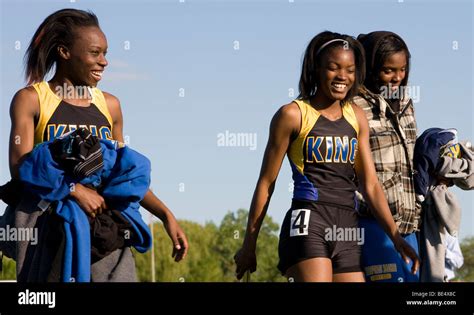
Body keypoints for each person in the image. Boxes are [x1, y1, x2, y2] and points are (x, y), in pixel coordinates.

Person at [6, 8, 188, 281]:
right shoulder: (32, 99)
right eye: (95, 53)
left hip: (104, 231)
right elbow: (20, 167)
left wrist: (165, 214)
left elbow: (122, 175)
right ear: (64, 52)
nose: (104, 61)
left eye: (105, 53)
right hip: (49, 229)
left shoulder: (110, 105)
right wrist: (74, 190)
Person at [234, 31, 419, 282]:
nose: (342, 76)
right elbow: (266, 183)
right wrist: (249, 245)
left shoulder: (357, 117)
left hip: (346, 228)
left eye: (350, 70)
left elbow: (370, 184)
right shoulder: (292, 115)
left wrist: (396, 237)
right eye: (334, 67)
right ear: (316, 69)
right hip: (309, 221)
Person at [353, 31, 420, 282]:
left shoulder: (405, 102)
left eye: (402, 70)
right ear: (370, 67)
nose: (397, 78)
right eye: (388, 70)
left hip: (410, 225)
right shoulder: (353, 106)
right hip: (373, 224)